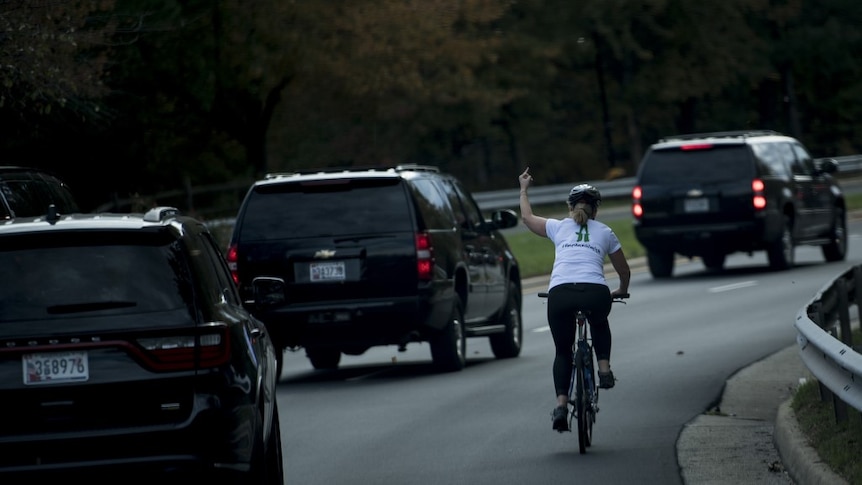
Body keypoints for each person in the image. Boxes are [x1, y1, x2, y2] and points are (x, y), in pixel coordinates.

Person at [518, 167, 631, 432]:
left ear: (570, 207)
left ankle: (560, 405)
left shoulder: (558, 227)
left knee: (562, 351)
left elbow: (526, 218)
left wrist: (524, 188)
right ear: (596, 209)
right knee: (600, 321)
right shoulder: (605, 231)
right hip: (595, 292)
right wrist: (622, 289)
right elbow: (623, 270)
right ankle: (604, 370)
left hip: (560, 293)